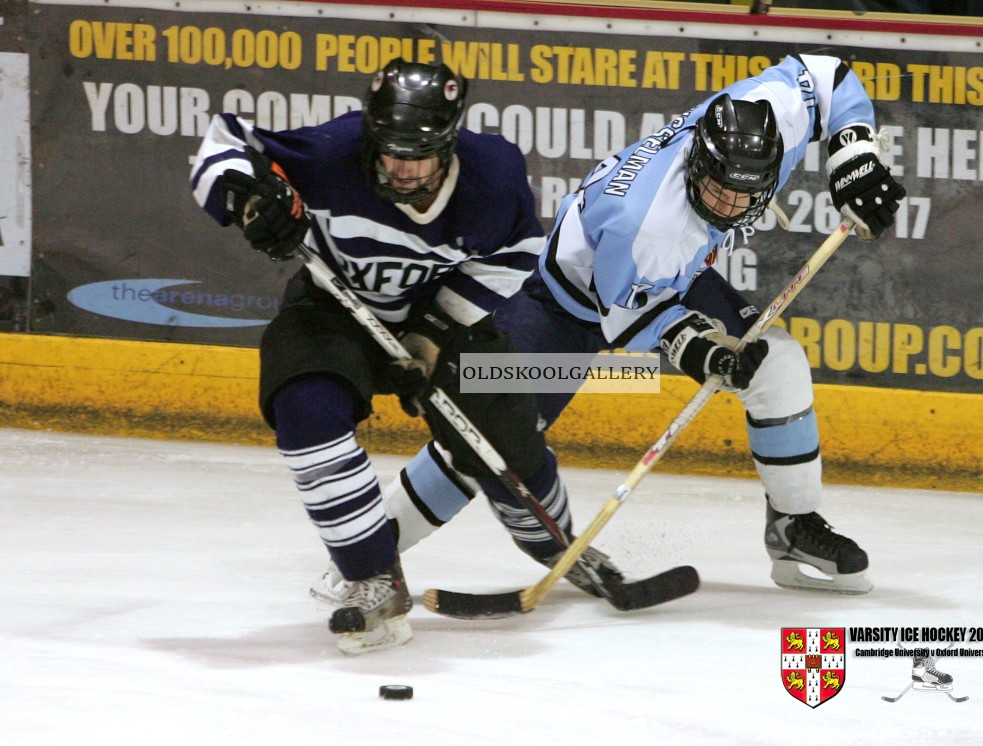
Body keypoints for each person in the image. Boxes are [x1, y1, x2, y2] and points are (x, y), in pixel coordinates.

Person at [389, 53, 905, 594]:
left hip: (668, 281)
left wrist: (855, 155)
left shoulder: (768, 115)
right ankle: (373, 551)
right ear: (699, 166)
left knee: (778, 365)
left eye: (745, 193)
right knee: (485, 432)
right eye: (719, 190)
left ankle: (793, 526)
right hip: (563, 308)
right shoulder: (649, 226)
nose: (731, 206)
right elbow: (636, 317)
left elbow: (828, 75)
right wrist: (707, 352)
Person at [188, 59, 622, 654]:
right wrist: (247, 198)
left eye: (419, 155)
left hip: (441, 315)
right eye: (390, 151)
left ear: (449, 142)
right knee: (305, 411)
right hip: (331, 308)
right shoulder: (332, 152)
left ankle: (556, 545)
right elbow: (223, 143)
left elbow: (512, 257)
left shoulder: (492, 177)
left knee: (506, 434)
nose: (402, 169)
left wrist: (429, 336)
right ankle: (373, 578)